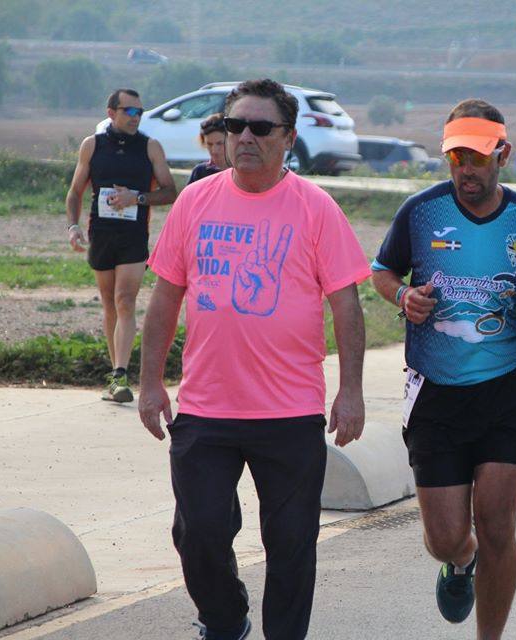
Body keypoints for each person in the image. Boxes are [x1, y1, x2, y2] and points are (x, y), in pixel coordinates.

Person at [138, 79, 371, 640]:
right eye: (234, 125)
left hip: (288, 413)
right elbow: (166, 296)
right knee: (200, 533)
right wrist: (149, 384)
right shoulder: (196, 199)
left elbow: (346, 302)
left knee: (292, 545)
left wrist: (351, 390)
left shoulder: (315, 208)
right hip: (205, 407)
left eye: (260, 127)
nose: (244, 136)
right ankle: (225, 618)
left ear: (287, 138)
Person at [371, 98, 516, 638]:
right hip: (435, 393)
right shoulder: (421, 211)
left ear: (502, 153)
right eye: (455, 158)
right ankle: (460, 560)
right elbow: (382, 272)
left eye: (475, 158)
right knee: (445, 537)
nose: (464, 171)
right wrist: (404, 296)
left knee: (498, 525)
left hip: (506, 390)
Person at [65, 88, 177, 403]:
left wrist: (137, 198)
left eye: (140, 111)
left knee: (126, 300)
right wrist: (73, 227)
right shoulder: (92, 145)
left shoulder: (150, 147)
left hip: (133, 236)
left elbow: (171, 192)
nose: (136, 117)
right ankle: (115, 377)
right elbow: (74, 192)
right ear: (111, 112)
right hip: (101, 233)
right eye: (129, 111)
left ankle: (120, 374)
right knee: (110, 304)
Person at [187, 113, 230, 185]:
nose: (214, 150)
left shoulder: (243, 171)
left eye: (220, 143)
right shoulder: (200, 172)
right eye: (209, 144)